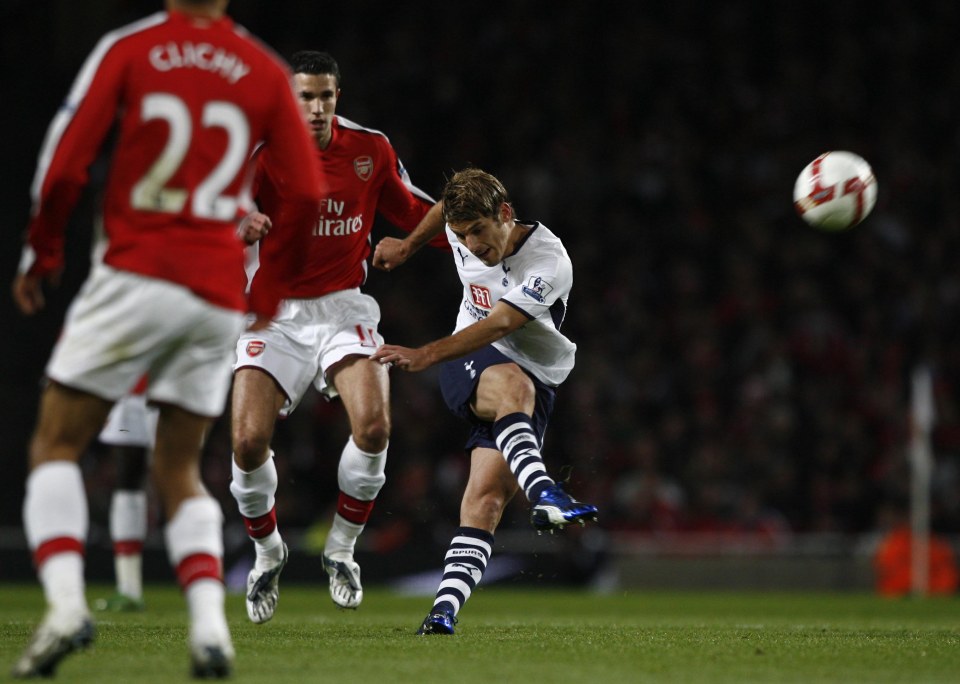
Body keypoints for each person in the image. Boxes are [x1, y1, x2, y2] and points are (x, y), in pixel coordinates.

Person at [10, 0, 324, 678]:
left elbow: (64, 166)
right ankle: (211, 630)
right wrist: (265, 291)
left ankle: (65, 605)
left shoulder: (130, 49)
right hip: (215, 296)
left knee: (57, 442)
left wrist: (41, 251)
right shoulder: (265, 72)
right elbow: (304, 190)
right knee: (179, 468)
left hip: (135, 273)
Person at [229, 50, 447, 622]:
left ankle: (342, 550)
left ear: (336, 98)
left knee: (374, 427)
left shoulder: (370, 149)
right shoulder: (258, 153)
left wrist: (471, 239)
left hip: (345, 307)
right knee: (247, 444)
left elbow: (413, 208)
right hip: (273, 315)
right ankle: (267, 552)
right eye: (305, 96)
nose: (318, 107)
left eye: (326, 95)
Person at [370, 167, 598, 635]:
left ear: (506, 214)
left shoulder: (548, 262)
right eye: (461, 234)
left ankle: (442, 611)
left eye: (479, 231)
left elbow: (500, 324)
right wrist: (410, 245)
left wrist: (424, 354)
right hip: (472, 354)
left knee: (487, 499)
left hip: (527, 370)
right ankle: (546, 492)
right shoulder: (461, 226)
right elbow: (443, 208)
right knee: (515, 386)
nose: (471, 245)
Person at [95, 388, 158, 613]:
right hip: (133, 388)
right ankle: (129, 589)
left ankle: (204, 585)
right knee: (128, 480)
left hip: (178, 381)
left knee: (182, 474)